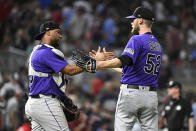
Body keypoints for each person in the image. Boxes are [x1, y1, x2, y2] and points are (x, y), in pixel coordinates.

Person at [90, 6, 162, 131]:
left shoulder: (137, 39)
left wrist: (98, 64)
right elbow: (129, 70)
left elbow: (124, 61)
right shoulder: (157, 45)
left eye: (133, 19)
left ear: (140, 21)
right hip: (151, 96)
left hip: (131, 94)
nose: (131, 22)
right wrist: (106, 61)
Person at [25, 21, 85, 131]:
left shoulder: (35, 52)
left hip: (34, 103)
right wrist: (93, 63)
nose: (60, 36)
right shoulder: (45, 52)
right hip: (45, 103)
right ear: (48, 32)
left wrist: (63, 98)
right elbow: (70, 70)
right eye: (57, 32)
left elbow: (48, 82)